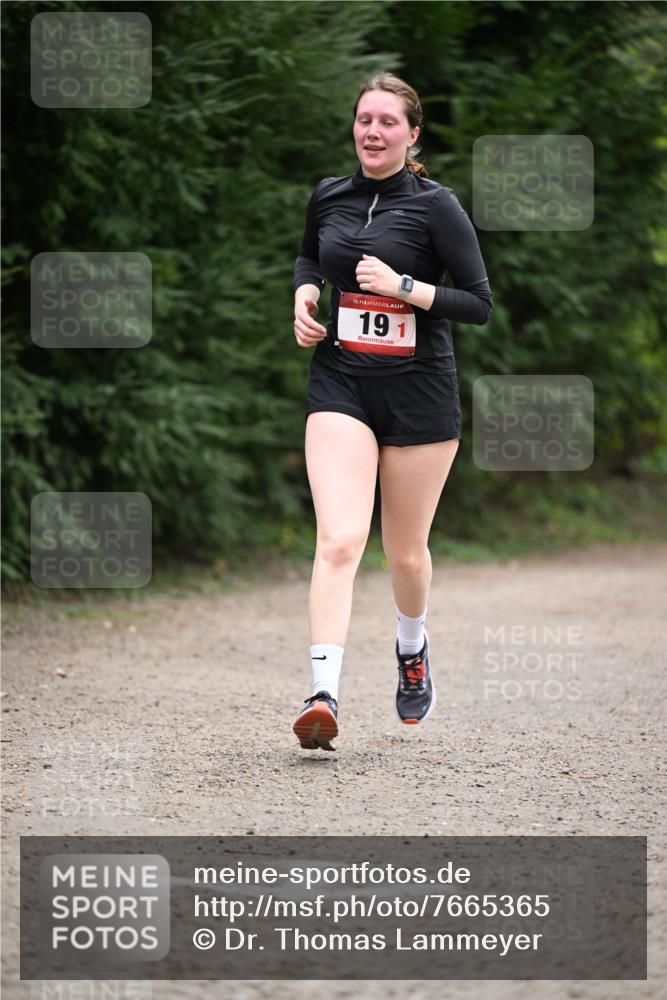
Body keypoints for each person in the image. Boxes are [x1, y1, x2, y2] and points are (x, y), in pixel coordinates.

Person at [291, 72, 493, 751]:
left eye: (386, 121)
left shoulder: (437, 206)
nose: (371, 131)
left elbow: (479, 303)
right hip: (341, 384)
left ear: (411, 134)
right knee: (341, 539)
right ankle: (323, 695)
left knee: (404, 552)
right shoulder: (329, 195)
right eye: (362, 119)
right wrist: (305, 297)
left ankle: (412, 646)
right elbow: (305, 257)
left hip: (419, 395)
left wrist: (405, 287)